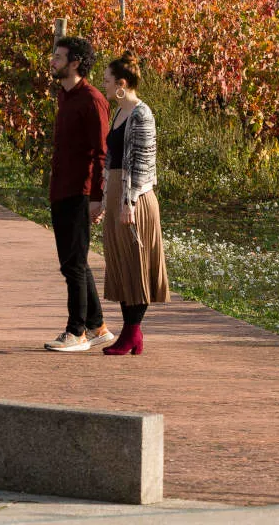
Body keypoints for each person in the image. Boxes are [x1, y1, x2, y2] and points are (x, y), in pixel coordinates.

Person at [43, 35, 114, 352]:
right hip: (61, 189)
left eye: (58, 57)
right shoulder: (65, 96)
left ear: (75, 63)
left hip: (79, 191)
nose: (52, 61)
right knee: (75, 261)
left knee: (73, 264)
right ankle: (97, 326)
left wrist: (97, 197)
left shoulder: (92, 100)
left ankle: (76, 332)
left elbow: (101, 152)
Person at [99, 52, 169, 355]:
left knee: (136, 263)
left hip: (135, 199)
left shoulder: (142, 114)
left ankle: (132, 333)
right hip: (118, 194)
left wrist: (129, 202)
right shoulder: (119, 113)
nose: (103, 84)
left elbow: (142, 163)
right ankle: (132, 334)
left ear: (122, 84)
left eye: (107, 80)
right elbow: (112, 158)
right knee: (122, 264)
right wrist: (105, 199)